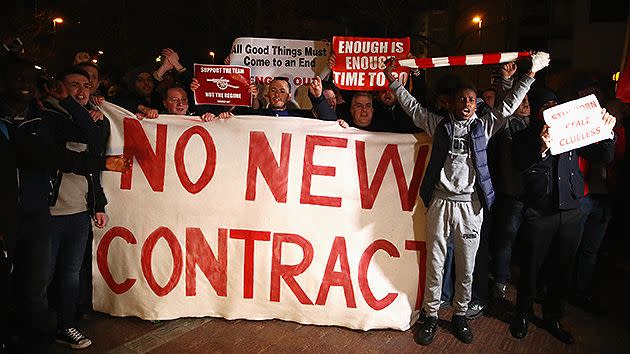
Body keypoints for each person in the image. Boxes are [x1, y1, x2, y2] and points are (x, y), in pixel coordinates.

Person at [384, 52, 548, 345]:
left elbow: (509, 106)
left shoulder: (483, 126)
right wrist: (394, 81)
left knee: (467, 263)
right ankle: (431, 315)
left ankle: (460, 315)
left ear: (476, 104)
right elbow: (412, 107)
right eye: (462, 100)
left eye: (472, 100)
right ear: (452, 102)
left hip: (471, 205)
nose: (467, 105)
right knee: (436, 262)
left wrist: (530, 74)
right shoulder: (439, 125)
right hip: (440, 202)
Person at [509, 88, 617, 344]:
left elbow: (603, 156)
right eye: (545, 105)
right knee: (531, 267)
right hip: (540, 211)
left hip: (572, 211)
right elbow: (519, 163)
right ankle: (522, 315)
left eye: (555, 103)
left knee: (562, 268)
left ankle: (552, 317)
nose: (550, 107)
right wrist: (542, 144)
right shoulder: (526, 135)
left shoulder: (573, 133)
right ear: (538, 112)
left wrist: (608, 133)